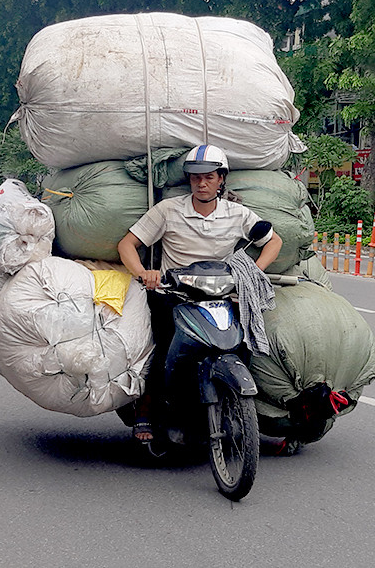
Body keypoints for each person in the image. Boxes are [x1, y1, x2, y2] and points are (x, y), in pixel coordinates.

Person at [116, 145, 282, 442]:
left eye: (208, 177)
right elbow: (127, 244)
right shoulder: (168, 210)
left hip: (219, 296)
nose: (202, 184)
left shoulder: (237, 213)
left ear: (221, 179)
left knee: (242, 346)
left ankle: (237, 405)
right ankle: (146, 408)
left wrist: (252, 271)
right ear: (189, 181)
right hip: (175, 296)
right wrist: (144, 273)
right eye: (195, 178)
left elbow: (273, 241)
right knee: (162, 348)